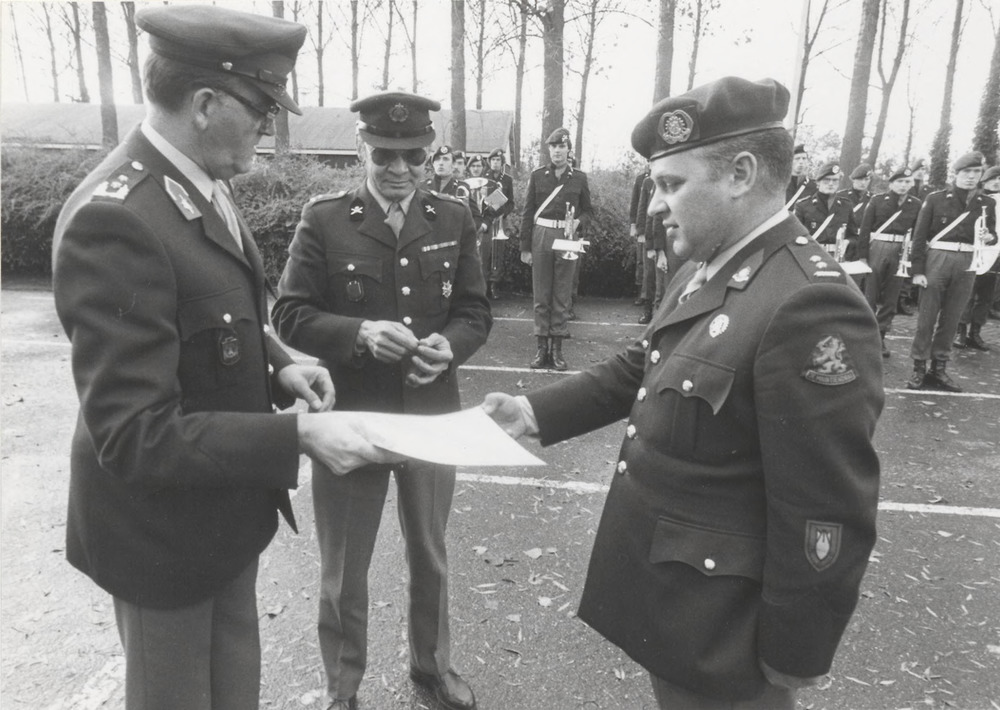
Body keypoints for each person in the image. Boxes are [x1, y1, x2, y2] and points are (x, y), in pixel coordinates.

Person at [484, 76, 883, 710]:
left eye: (672, 184)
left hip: (728, 633)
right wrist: (532, 411)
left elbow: (826, 503)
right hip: (678, 604)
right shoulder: (706, 266)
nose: (654, 205)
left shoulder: (809, 302)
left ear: (740, 174)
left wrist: (796, 650)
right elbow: (641, 366)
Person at [50, 6, 399, 709]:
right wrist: (298, 434)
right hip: (161, 543)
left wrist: (278, 361)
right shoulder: (116, 217)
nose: (268, 128)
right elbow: (136, 435)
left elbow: (212, 309)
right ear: (206, 104)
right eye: (262, 110)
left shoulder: (200, 181)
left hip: (223, 517)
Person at [271, 91, 491, 710]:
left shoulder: (452, 217)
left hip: (430, 415)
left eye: (413, 156)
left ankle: (432, 667)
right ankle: (342, 689)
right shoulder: (325, 219)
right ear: (361, 148)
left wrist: (449, 347)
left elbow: (475, 311)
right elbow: (289, 313)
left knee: (431, 554)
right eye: (385, 155)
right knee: (344, 568)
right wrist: (359, 333)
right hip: (353, 417)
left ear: (430, 154)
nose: (399, 168)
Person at [906, 151, 998, 391]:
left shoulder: (987, 203)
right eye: (966, 172)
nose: (971, 177)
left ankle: (939, 368)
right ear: (956, 174)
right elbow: (919, 237)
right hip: (938, 259)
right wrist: (917, 270)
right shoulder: (936, 199)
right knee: (926, 318)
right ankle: (919, 367)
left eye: (976, 172)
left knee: (952, 317)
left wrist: (989, 237)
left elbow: (993, 233)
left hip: (967, 261)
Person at [519, 127, 593, 370]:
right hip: (541, 235)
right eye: (554, 147)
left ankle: (557, 349)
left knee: (562, 294)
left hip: (567, 236)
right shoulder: (538, 176)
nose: (558, 151)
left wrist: (579, 222)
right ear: (549, 150)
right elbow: (528, 212)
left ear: (568, 149)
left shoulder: (579, 178)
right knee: (541, 295)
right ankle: (541, 349)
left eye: (562, 146)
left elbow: (588, 211)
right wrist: (525, 247)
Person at [859, 166, 922, 358]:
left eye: (907, 182)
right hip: (878, 247)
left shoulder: (916, 204)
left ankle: (881, 335)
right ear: (891, 183)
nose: (903, 185)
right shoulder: (877, 200)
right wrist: (863, 256)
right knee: (870, 294)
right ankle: (867, 335)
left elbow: (918, 232)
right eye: (899, 181)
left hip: (901, 250)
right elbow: (865, 229)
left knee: (892, 297)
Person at [955, 164, 1000, 350]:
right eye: (992, 179)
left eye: (999, 179)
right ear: (984, 181)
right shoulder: (978, 199)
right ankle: (960, 331)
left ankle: (975, 332)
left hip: (996, 252)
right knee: (968, 292)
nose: (996, 182)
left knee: (986, 296)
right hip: (976, 250)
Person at [793, 161, 861, 265]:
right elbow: (796, 237)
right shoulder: (803, 206)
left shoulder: (846, 205)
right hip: (811, 258)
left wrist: (847, 242)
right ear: (818, 182)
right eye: (827, 180)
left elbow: (854, 237)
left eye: (835, 180)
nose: (831, 183)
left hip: (837, 259)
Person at [465, 155, 502, 289]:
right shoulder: (462, 184)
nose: (476, 169)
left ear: (483, 167)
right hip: (466, 228)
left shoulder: (492, 184)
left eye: (479, 166)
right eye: (473, 166)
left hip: (485, 228)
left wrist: (485, 223)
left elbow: (497, 208)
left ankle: (482, 292)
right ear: (469, 168)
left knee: (483, 260)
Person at [484, 148, 516, 298]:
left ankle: (494, 284)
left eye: (498, 160)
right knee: (485, 251)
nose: (495, 163)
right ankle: (484, 284)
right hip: (486, 220)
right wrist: (490, 208)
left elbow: (511, 202)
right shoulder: (484, 178)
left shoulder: (507, 180)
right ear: (489, 162)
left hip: (500, 220)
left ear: (502, 163)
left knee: (498, 252)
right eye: (493, 160)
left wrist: (504, 213)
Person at [629, 167, 652, 304]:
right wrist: (634, 225)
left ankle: (648, 294)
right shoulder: (641, 179)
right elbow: (635, 204)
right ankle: (641, 294)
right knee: (641, 261)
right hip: (642, 225)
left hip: (656, 224)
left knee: (651, 263)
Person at [784, 143, 816, 208]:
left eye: (804, 158)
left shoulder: (814, 186)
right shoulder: (781, 183)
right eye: (797, 158)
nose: (801, 162)